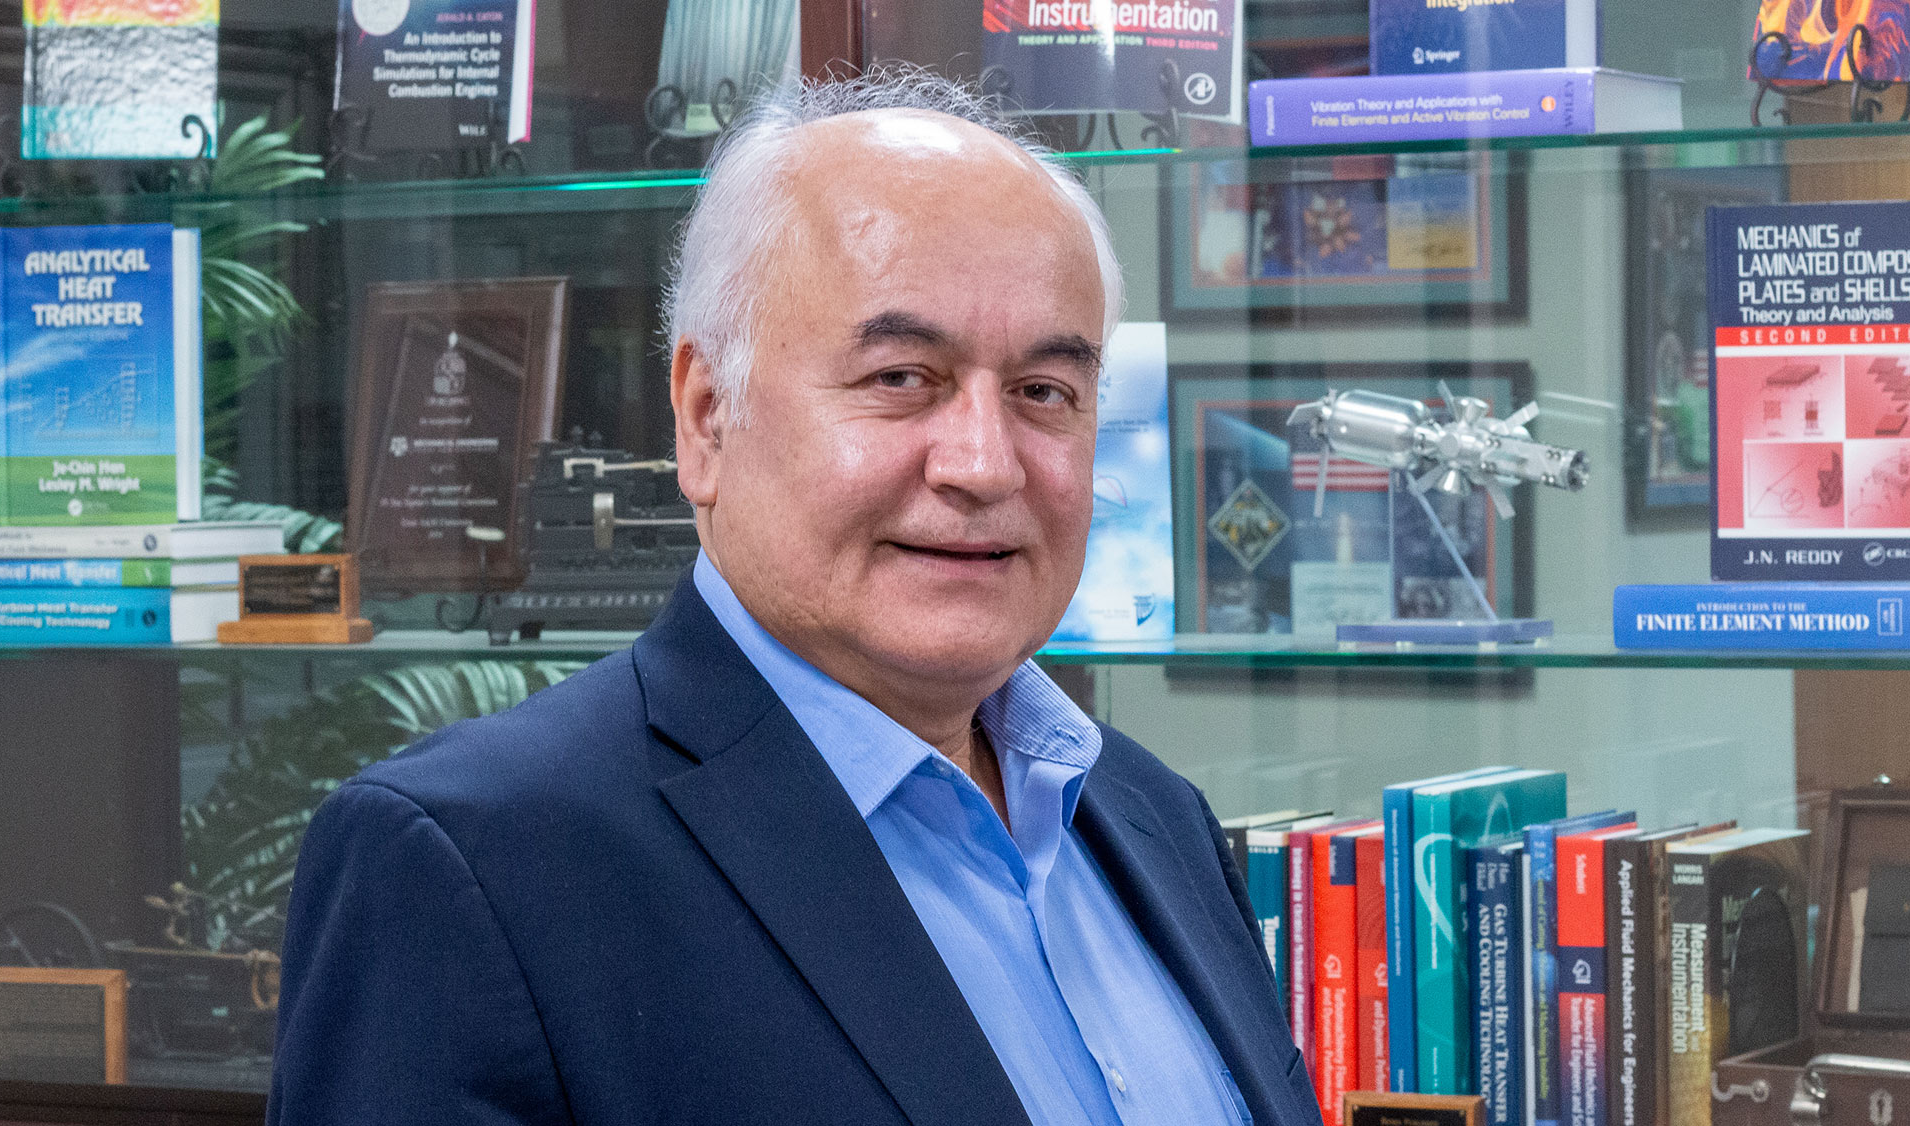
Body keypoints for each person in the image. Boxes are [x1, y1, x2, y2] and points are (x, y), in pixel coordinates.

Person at [268, 71, 1315, 1126]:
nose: (985, 465)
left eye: (1044, 393)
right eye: (901, 376)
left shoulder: (1151, 817)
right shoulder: (475, 867)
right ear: (705, 416)